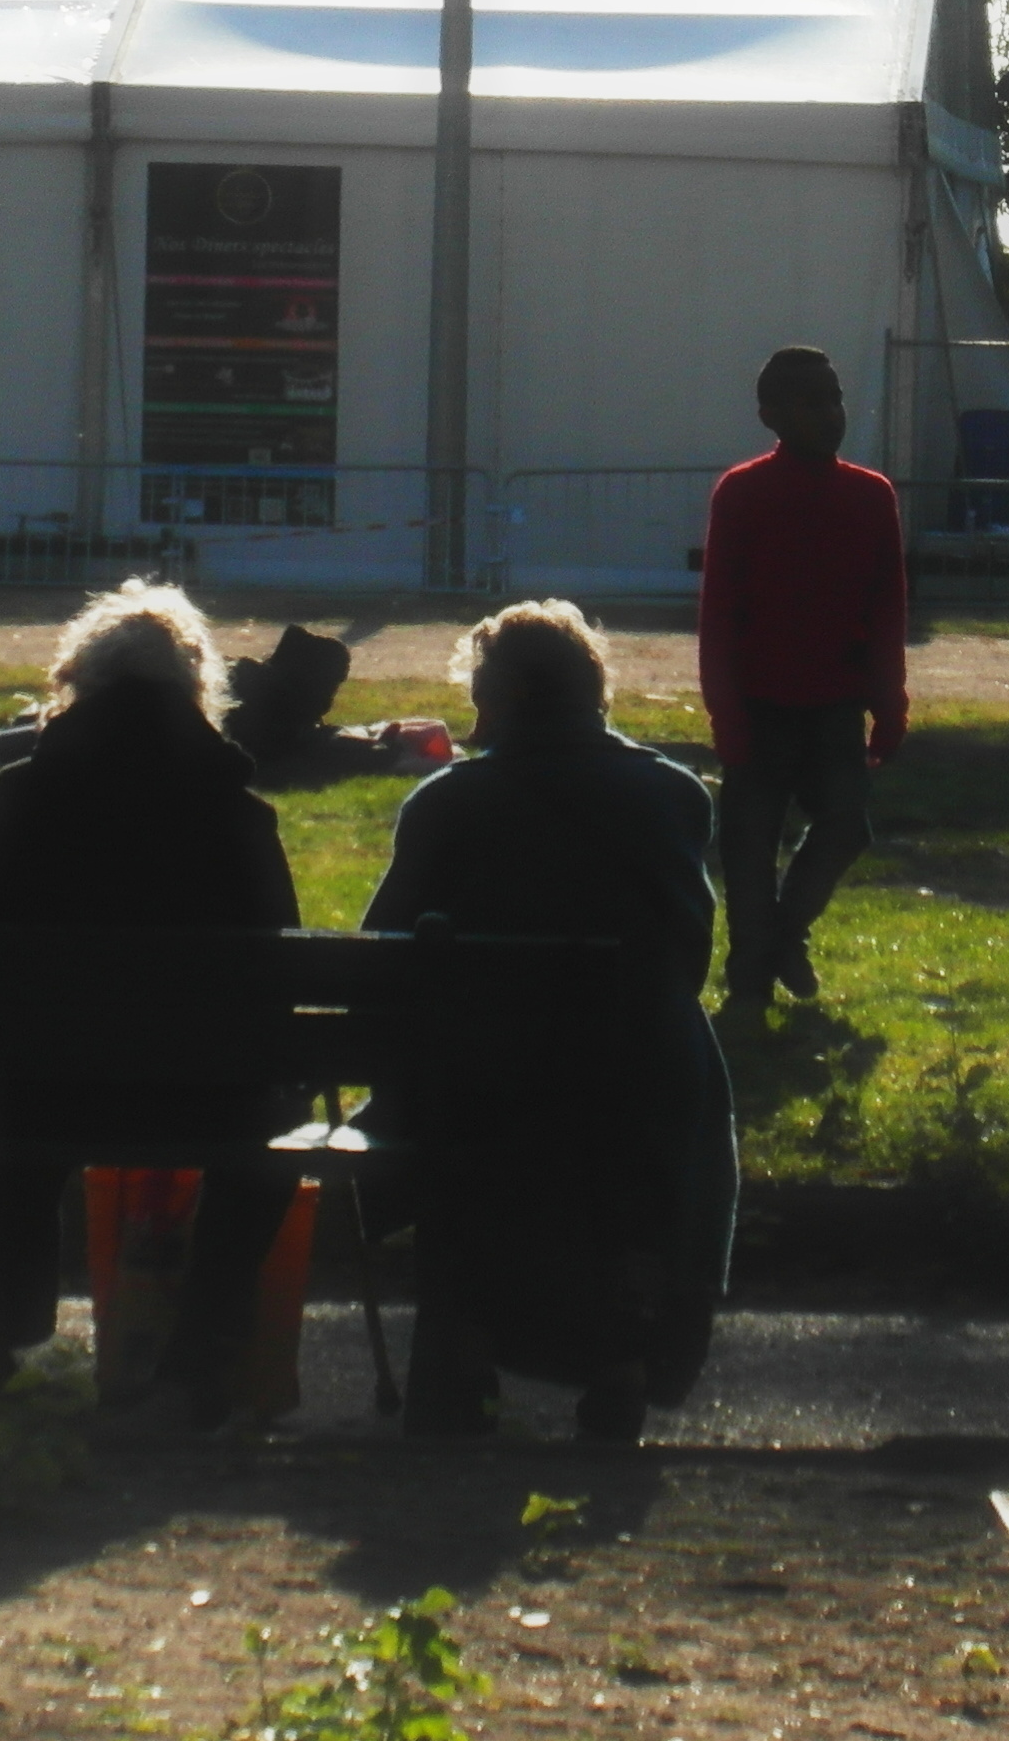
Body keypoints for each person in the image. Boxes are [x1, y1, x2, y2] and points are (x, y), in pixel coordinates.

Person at [362, 598, 737, 1447]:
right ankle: (623, 1359)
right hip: (634, 1078)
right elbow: (687, 955)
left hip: (483, 1088)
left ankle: (468, 1345)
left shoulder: (449, 802)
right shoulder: (673, 795)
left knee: (458, 1104)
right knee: (668, 1059)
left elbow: (388, 955)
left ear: (491, 700)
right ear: (594, 692)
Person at [0, 581, 301, 1419]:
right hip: (206, 1098)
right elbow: (280, 970)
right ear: (195, 690)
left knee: (9, 1124)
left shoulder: (21, 799)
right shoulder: (237, 813)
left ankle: (3, 1347)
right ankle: (198, 1357)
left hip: (40, 1090)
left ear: (79, 682)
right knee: (269, 1146)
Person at [697, 342, 908, 1018]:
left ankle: (782, 938)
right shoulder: (742, 492)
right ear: (771, 415)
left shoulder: (871, 495)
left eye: (834, 398)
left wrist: (889, 705)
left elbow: (887, 609)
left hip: (835, 704)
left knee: (845, 826)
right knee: (749, 849)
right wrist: (726, 713)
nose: (830, 413)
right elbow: (719, 612)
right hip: (759, 704)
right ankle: (748, 984)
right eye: (811, 401)